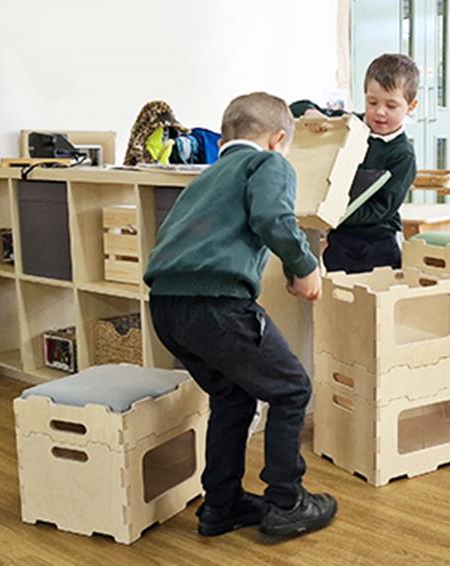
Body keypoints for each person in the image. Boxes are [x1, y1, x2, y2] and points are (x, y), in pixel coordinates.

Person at [144, 92, 337, 538]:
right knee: (291, 389)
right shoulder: (269, 163)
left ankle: (222, 504)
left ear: (224, 137)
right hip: (217, 304)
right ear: (278, 139)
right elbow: (273, 217)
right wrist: (305, 266)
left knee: (232, 397)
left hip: (168, 307)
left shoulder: (207, 177)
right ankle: (287, 502)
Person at [291, 53, 419, 273]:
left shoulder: (403, 155)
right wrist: (312, 113)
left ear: (410, 107)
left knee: (375, 291)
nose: (380, 112)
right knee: (336, 288)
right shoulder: (350, 125)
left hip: (378, 243)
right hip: (339, 240)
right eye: (372, 102)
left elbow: (381, 209)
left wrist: (336, 213)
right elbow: (296, 107)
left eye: (391, 105)